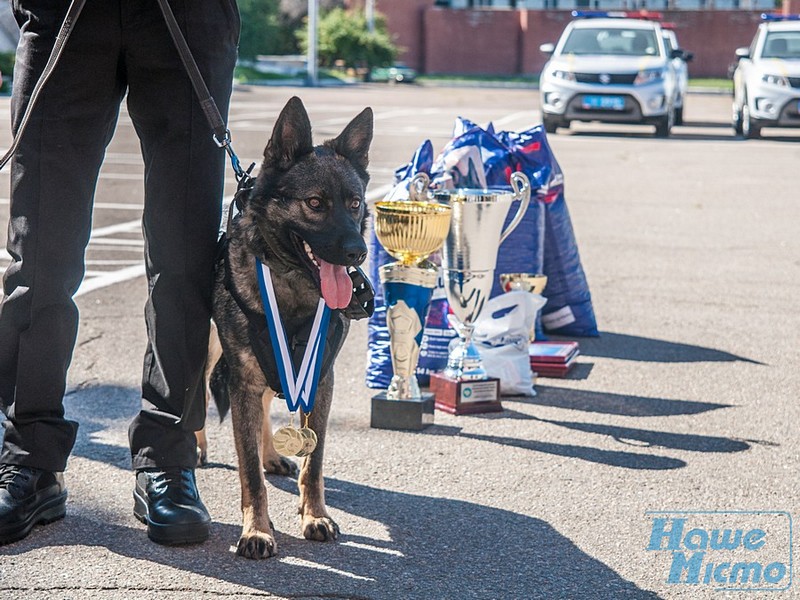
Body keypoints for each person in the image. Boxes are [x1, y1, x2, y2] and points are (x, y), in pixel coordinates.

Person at [0, 0, 239, 546]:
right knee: (39, 251)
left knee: (184, 254)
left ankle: (168, 455)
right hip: (65, 11)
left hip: (186, 14)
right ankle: (30, 459)